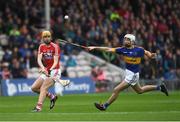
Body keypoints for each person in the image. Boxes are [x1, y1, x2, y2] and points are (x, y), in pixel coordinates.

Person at [88, 34, 169, 111]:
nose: (125, 41)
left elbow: (147, 53)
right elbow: (108, 49)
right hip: (130, 74)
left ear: (132, 42)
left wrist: (151, 55)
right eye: (125, 39)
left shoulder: (139, 50)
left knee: (116, 89)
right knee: (139, 91)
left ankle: (104, 106)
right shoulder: (122, 50)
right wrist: (94, 47)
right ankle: (160, 87)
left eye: (128, 39)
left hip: (133, 75)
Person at [31, 30, 70, 112]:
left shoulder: (55, 47)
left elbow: (56, 61)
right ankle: (52, 96)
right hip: (47, 70)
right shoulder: (41, 46)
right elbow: (39, 59)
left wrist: (50, 69)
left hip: (55, 70)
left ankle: (38, 107)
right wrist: (43, 67)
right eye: (45, 37)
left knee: (43, 87)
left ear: (51, 37)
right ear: (42, 38)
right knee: (34, 88)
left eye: (48, 36)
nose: (47, 38)